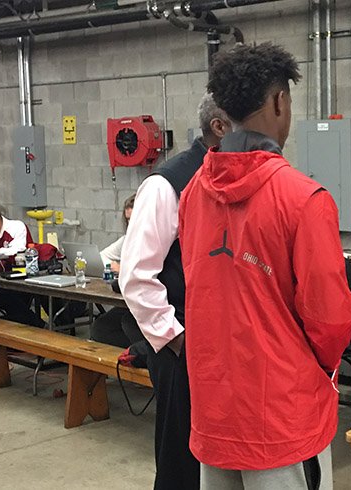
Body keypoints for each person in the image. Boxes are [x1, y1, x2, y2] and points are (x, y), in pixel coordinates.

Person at [180, 42, 351, 490]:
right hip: (281, 416)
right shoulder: (305, 199)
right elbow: (330, 319)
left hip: (214, 407)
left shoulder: (193, 194)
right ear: (280, 101)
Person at [119, 92, 230, 490]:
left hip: (224, 345)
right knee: (181, 458)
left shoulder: (232, 177)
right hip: (180, 343)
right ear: (220, 127)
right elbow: (135, 276)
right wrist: (176, 339)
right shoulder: (167, 185)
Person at [90, 194, 143, 348]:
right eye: (127, 220)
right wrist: (112, 266)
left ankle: (144, 357)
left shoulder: (158, 240)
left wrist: (123, 270)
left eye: (134, 219)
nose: (131, 224)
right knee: (100, 328)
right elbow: (102, 256)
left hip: (147, 303)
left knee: (128, 324)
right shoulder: (127, 240)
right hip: (128, 300)